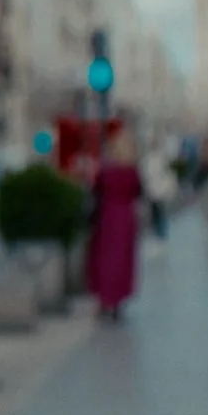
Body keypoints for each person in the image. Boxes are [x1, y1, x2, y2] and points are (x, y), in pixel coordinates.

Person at [84, 131, 145, 322]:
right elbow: (138, 192)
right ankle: (117, 302)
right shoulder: (133, 171)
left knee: (104, 259)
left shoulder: (106, 171)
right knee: (122, 261)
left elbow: (95, 191)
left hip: (107, 218)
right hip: (126, 218)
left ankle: (104, 300)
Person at [140, 138, 177, 240]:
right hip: (154, 192)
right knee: (157, 214)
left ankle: (161, 234)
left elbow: (168, 175)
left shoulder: (160, 158)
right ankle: (159, 234)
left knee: (160, 214)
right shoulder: (149, 159)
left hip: (159, 192)